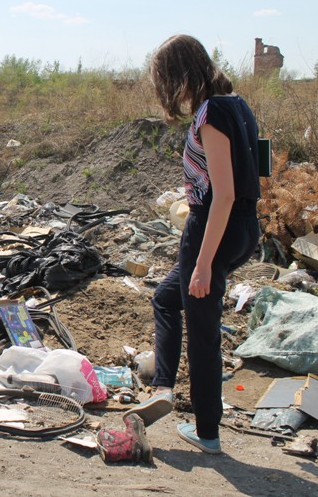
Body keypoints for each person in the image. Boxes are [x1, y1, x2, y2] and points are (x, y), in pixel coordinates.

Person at [125, 34, 261, 454]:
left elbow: (222, 194)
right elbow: (257, 165)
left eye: (165, 79)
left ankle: (208, 433)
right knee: (167, 297)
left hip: (212, 227)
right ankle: (164, 385)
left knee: (203, 333)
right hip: (241, 228)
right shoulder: (237, 105)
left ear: (179, 74)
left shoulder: (210, 113)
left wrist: (203, 264)